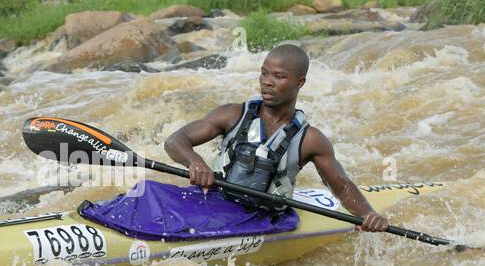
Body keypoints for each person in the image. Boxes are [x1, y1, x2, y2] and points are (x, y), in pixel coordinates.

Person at [163, 42, 390, 232]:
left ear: (299, 83)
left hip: (262, 219)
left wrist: (368, 214)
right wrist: (194, 161)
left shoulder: (311, 140)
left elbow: (341, 186)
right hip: (215, 203)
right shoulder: (232, 114)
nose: (267, 82)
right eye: (264, 73)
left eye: (279, 76)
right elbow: (175, 140)